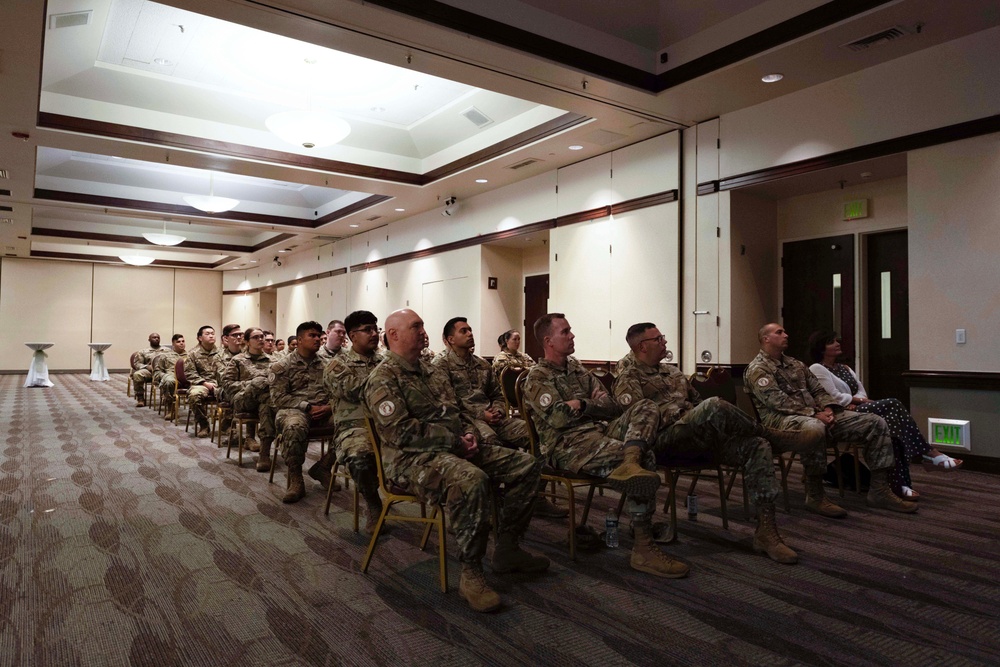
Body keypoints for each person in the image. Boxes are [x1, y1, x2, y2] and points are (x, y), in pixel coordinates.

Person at [365, 309, 547, 613]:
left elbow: (455, 410)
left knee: (525, 465)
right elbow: (400, 432)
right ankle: (471, 573)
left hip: (454, 447)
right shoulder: (382, 378)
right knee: (472, 480)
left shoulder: (431, 372)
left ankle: (508, 548)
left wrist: (466, 432)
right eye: (415, 326)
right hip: (411, 460)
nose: (423, 331)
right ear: (393, 335)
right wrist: (454, 442)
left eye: (423, 325)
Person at [613, 322, 805, 563]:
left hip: (695, 436)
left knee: (757, 445)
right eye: (659, 339)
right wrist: (683, 415)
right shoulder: (628, 376)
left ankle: (766, 531)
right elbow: (636, 417)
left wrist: (701, 419)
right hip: (664, 441)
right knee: (715, 405)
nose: (665, 342)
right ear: (642, 346)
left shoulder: (672, 373)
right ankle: (771, 433)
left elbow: (695, 403)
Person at [523, 313, 689, 578]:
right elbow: (557, 417)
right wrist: (589, 403)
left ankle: (630, 463)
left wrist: (582, 404)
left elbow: (612, 405)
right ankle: (643, 547)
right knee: (646, 456)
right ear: (548, 341)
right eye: (565, 332)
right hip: (568, 446)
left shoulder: (576, 368)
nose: (572, 335)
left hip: (598, 432)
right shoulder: (537, 377)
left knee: (645, 406)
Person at [745, 324, 917, 514]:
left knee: (874, 422)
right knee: (814, 428)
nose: (786, 334)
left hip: (816, 415)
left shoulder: (796, 364)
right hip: (780, 422)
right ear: (766, 339)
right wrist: (814, 413)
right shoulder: (758, 369)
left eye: (785, 331)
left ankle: (879, 490)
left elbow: (818, 390)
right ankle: (815, 495)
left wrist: (827, 408)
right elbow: (776, 401)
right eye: (779, 332)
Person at [807, 331, 962, 500]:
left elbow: (861, 390)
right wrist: (856, 400)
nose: (837, 343)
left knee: (892, 431)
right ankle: (927, 453)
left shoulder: (845, 368)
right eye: (831, 342)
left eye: (837, 340)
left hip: (857, 409)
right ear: (821, 348)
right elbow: (833, 396)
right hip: (841, 414)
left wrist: (858, 400)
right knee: (893, 403)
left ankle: (899, 484)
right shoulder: (817, 368)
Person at [323, 310, 385, 531]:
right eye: (367, 330)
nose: (374, 334)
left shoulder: (386, 361)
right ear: (352, 335)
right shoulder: (338, 365)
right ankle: (373, 502)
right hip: (354, 427)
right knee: (359, 457)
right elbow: (354, 391)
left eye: (375, 329)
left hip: (389, 424)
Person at [268, 321, 333, 503]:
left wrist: (329, 407)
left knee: (351, 423)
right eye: (312, 335)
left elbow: (339, 393)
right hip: (293, 410)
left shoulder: (329, 365)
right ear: (299, 339)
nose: (317, 339)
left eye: (319, 336)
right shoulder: (282, 366)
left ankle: (324, 466)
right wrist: (307, 406)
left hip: (323, 410)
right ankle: (295, 477)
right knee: (294, 426)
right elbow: (278, 398)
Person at [221, 327, 274, 468]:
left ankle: (264, 454)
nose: (261, 339)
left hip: (265, 401)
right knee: (261, 386)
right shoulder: (237, 360)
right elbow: (227, 384)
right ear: (247, 341)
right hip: (242, 399)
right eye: (256, 337)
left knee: (266, 405)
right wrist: (251, 384)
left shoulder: (272, 360)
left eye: (262, 336)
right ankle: (259, 447)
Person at [184, 325, 224, 438]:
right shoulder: (192, 353)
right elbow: (189, 373)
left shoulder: (222, 353)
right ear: (200, 338)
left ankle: (228, 426)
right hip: (201, 384)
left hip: (220, 383)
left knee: (235, 394)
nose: (211, 335)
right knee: (194, 395)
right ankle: (203, 424)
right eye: (207, 334)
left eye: (213, 333)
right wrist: (205, 383)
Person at [155, 334, 186, 421]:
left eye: (183, 341)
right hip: (172, 376)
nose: (181, 343)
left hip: (187, 377)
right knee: (169, 381)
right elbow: (157, 371)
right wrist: (164, 376)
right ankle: (171, 409)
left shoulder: (191, 355)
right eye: (178, 342)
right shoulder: (165, 355)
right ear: (173, 343)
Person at [130, 332, 162, 407]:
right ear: (149, 340)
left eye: (158, 337)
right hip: (149, 372)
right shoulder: (143, 351)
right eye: (154, 337)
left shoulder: (166, 350)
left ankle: (167, 398)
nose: (156, 339)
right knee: (137, 375)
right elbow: (137, 364)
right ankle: (140, 398)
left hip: (162, 372)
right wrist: (146, 367)